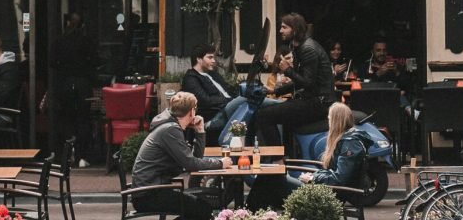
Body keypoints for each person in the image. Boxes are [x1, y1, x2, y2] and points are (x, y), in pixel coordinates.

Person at [131, 91, 232, 220]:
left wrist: (200, 131)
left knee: (200, 208)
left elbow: (195, 159)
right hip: (148, 195)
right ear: (191, 112)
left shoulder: (170, 127)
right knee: (202, 209)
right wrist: (221, 163)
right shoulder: (170, 130)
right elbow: (191, 164)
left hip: (152, 190)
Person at [255, 12, 334, 146]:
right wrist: (274, 90)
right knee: (277, 112)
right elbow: (300, 81)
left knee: (264, 115)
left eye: (284, 27)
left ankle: (277, 158)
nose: (280, 31)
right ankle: (288, 154)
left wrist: (287, 70)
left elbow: (308, 83)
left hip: (318, 103)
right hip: (313, 100)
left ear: (295, 29)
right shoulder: (299, 47)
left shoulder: (308, 49)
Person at [49, 13, 99, 165]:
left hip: (64, 83)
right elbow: (94, 61)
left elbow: (52, 62)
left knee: (66, 119)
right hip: (82, 83)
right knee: (83, 119)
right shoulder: (86, 41)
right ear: (82, 25)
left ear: (67, 23)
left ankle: (66, 154)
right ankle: (82, 155)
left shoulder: (59, 41)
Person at [182, 44, 248, 138]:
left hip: (228, 107)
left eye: (213, 57)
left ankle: (275, 106)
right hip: (215, 114)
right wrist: (229, 100)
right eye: (210, 57)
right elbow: (205, 101)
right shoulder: (191, 78)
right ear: (199, 59)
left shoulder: (214, 74)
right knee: (249, 98)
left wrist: (240, 87)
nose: (213, 61)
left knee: (252, 101)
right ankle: (275, 104)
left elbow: (229, 90)